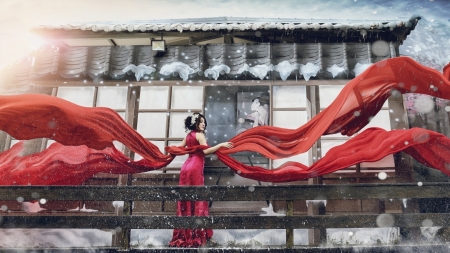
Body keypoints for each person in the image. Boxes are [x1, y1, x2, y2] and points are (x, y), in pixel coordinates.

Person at [169, 113, 233, 248]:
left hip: (186, 168)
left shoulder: (188, 136)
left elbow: (180, 148)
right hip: (195, 168)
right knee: (198, 198)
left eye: (204, 122)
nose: (203, 124)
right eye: (200, 122)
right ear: (195, 124)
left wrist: (169, 151)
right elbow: (205, 151)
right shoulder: (200, 135)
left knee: (186, 199)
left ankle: (184, 234)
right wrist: (221, 145)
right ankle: (199, 235)